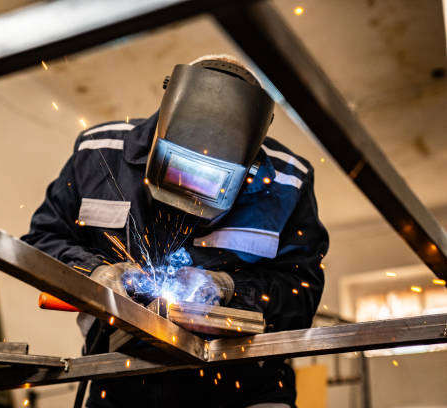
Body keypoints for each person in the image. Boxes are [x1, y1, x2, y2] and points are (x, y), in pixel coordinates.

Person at [21, 55, 328, 408]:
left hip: (246, 386)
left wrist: (228, 288)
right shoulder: (100, 155)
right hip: (121, 379)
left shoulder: (288, 183)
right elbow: (41, 243)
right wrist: (96, 273)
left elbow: (299, 291)